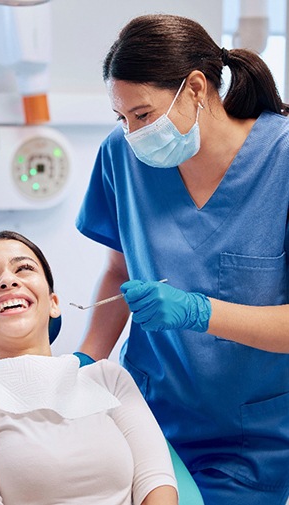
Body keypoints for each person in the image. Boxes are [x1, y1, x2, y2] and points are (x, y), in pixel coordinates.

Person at [75, 13, 289, 505]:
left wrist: (199, 311)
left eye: (143, 115)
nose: (132, 134)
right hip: (144, 418)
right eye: (121, 118)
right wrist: (86, 362)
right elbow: (118, 271)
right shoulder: (120, 157)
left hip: (247, 442)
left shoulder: (280, 159)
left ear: (195, 88)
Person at [0, 230, 178, 505]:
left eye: (24, 268)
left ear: (54, 304)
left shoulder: (108, 377)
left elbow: (157, 483)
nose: (8, 281)